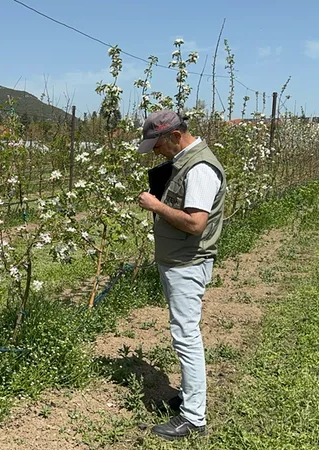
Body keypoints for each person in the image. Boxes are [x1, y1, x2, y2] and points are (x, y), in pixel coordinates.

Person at [135, 110, 226, 441]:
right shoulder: (187, 163)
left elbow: (194, 223)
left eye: (156, 145)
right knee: (184, 333)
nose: (155, 153)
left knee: (186, 337)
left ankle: (193, 417)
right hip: (179, 262)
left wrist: (156, 206)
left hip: (187, 264)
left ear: (174, 136)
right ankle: (190, 398)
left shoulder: (200, 169)